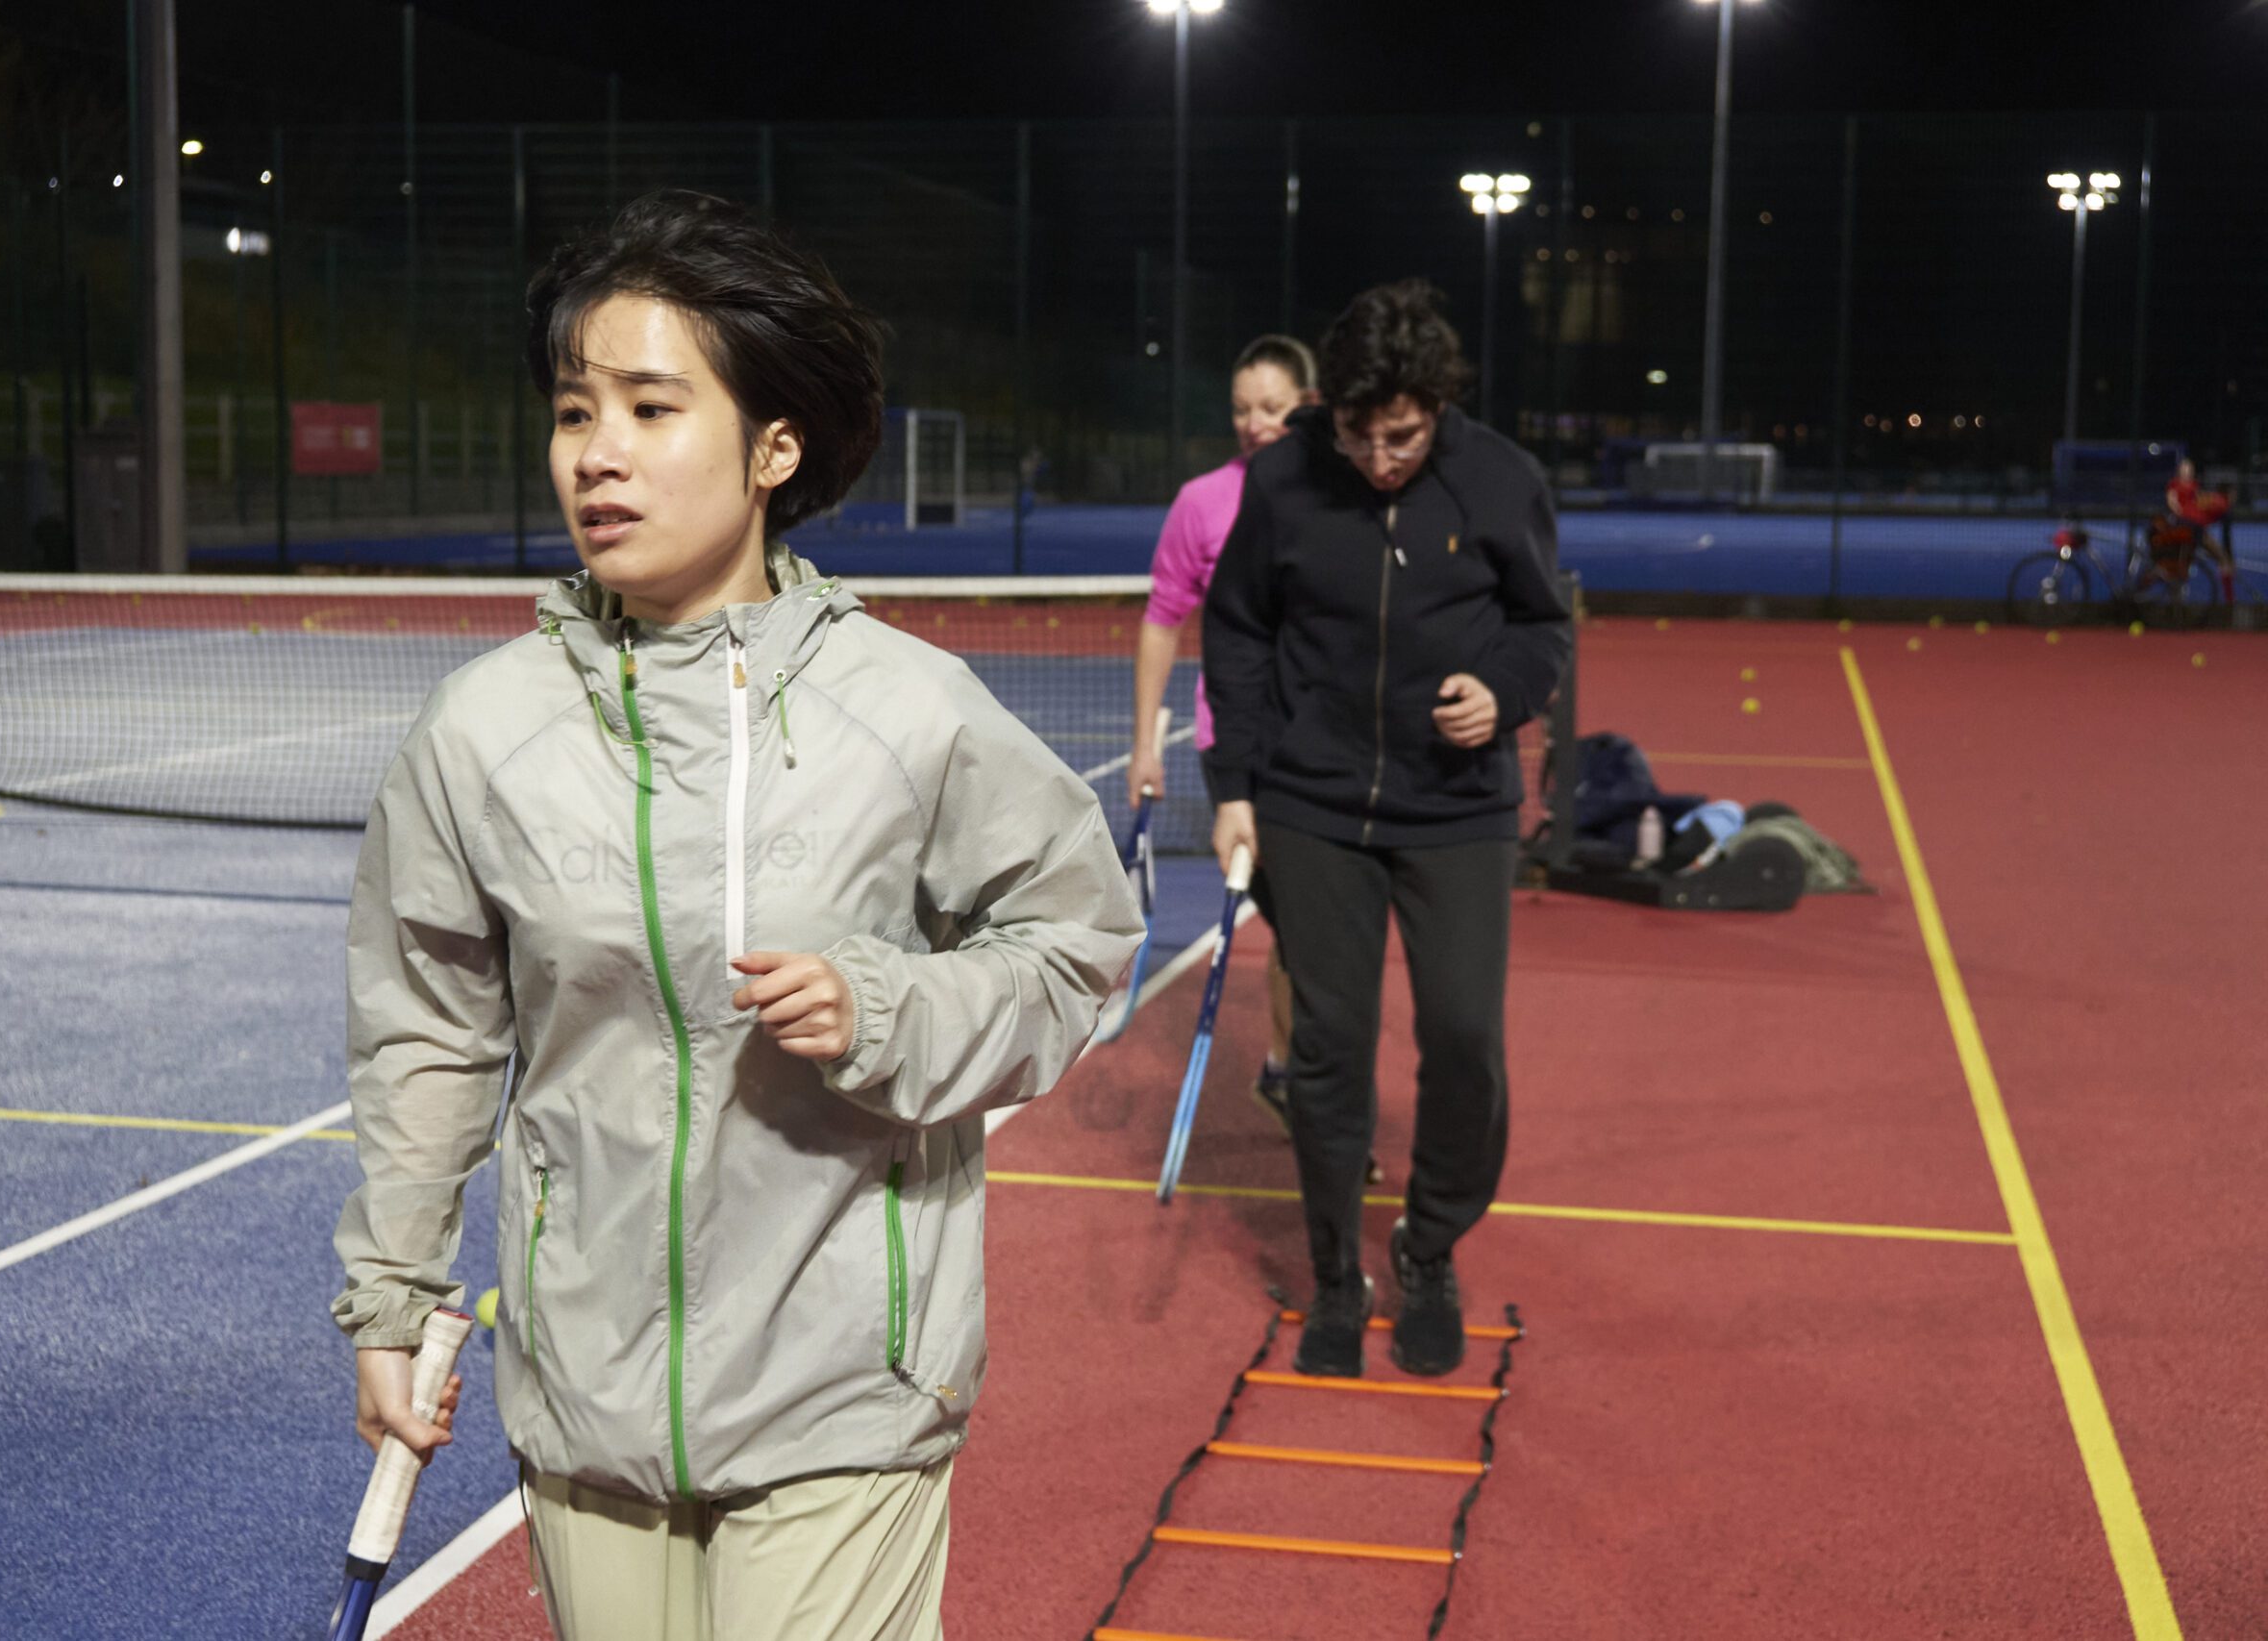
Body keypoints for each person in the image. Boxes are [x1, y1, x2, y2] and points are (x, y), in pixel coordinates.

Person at [331, 189, 1142, 1641]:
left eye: (653, 407)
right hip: (585, 1393)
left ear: (773, 449)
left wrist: (890, 1005)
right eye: (578, 410)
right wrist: (392, 1300)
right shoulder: (479, 732)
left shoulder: (905, 707)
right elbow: (427, 1033)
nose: (601, 453)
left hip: (848, 1384)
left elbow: (1077, 939)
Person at [1201, 279, 1572, 1380]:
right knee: (1328, 1048)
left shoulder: (1502, 479)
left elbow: (1542, 629)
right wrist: (1233, 786)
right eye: (1358, 436)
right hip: (1312, 806)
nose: (1377, 460)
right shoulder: (1283, 479)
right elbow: (1238, 633)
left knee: (1462, 1038)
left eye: (1400, 437)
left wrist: (1499, 694)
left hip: (1457, 808)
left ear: (1439, 406)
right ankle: (1331, 1274)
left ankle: (1427, 1246)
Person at [1129, 336, 1354, 1156]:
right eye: (1241, 409)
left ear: (1310, 401)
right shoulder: (1203, 502)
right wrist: (1144, 743)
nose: (1254, 424)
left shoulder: (1343, 492)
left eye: (1272, 407)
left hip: (1327, 744)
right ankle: (1298, 1079)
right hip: (1240, 753)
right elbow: (1163, 620)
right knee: (1299, 924)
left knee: (1318, 932)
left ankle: (1291, 1065)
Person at [2163, 459, 2234, 601]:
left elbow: (2200, 504)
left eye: (2189, 468)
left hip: (2197, 529)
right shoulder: (2175, 484)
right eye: (2184, 468)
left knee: (2222, 559)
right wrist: (2180, 514)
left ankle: (2229, 599)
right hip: (2186, 528)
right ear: (2179, 471)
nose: (2187, 471)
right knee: (2183, 564)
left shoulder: (2195, 486)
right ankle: (2176, 599)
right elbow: (2172, 500)